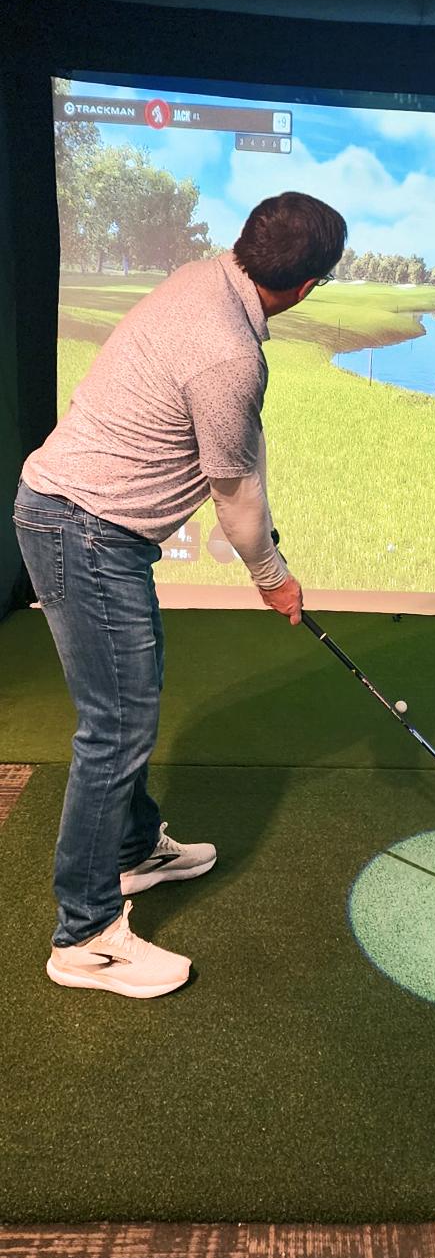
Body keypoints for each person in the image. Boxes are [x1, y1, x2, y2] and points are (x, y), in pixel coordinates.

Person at [14, 191, 347, 1000]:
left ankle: (132, 851)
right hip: (86, 531)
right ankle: (86, 937)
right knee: (115, 729)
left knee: (128, 706)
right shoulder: (231, 354)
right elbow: (235, 497)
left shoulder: (202, 275)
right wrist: (276, 579)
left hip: (78, 522)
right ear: (305, 287)